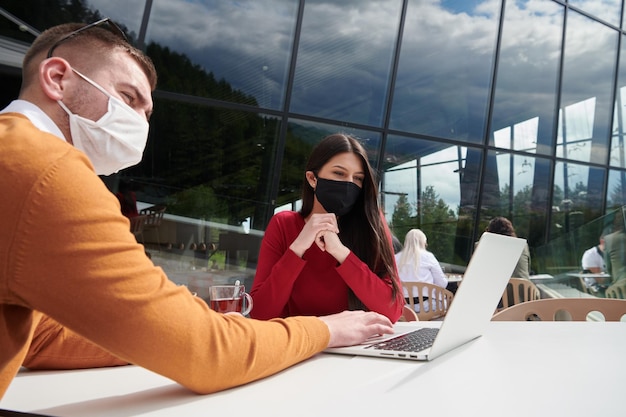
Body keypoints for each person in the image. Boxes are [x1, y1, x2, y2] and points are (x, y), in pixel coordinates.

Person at [0, 20, 394, 399]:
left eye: (147, 113)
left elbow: (41, 337)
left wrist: (183, 330)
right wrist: (324, 330)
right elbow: (208, 354)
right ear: (56, 77)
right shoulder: (49, 173)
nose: (139, 121)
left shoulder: (16, 158)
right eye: (128, 97)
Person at [249, 133, 404, 321]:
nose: (348, 183)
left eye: (357, 178)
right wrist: (297, 249)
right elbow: (260, 313)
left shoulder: (371, 223)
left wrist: (341, 253)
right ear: (312, 179)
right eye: (339, 173)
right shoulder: (284, 224)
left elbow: (393, 311)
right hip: (303, 345)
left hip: (358, 346)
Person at [395, 229, 448, 311]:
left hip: (404, 307)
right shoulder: (428, 256)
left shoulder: (396, 258)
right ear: (423, 242)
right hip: (428, 306)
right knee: (447, 302)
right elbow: (442, 283)